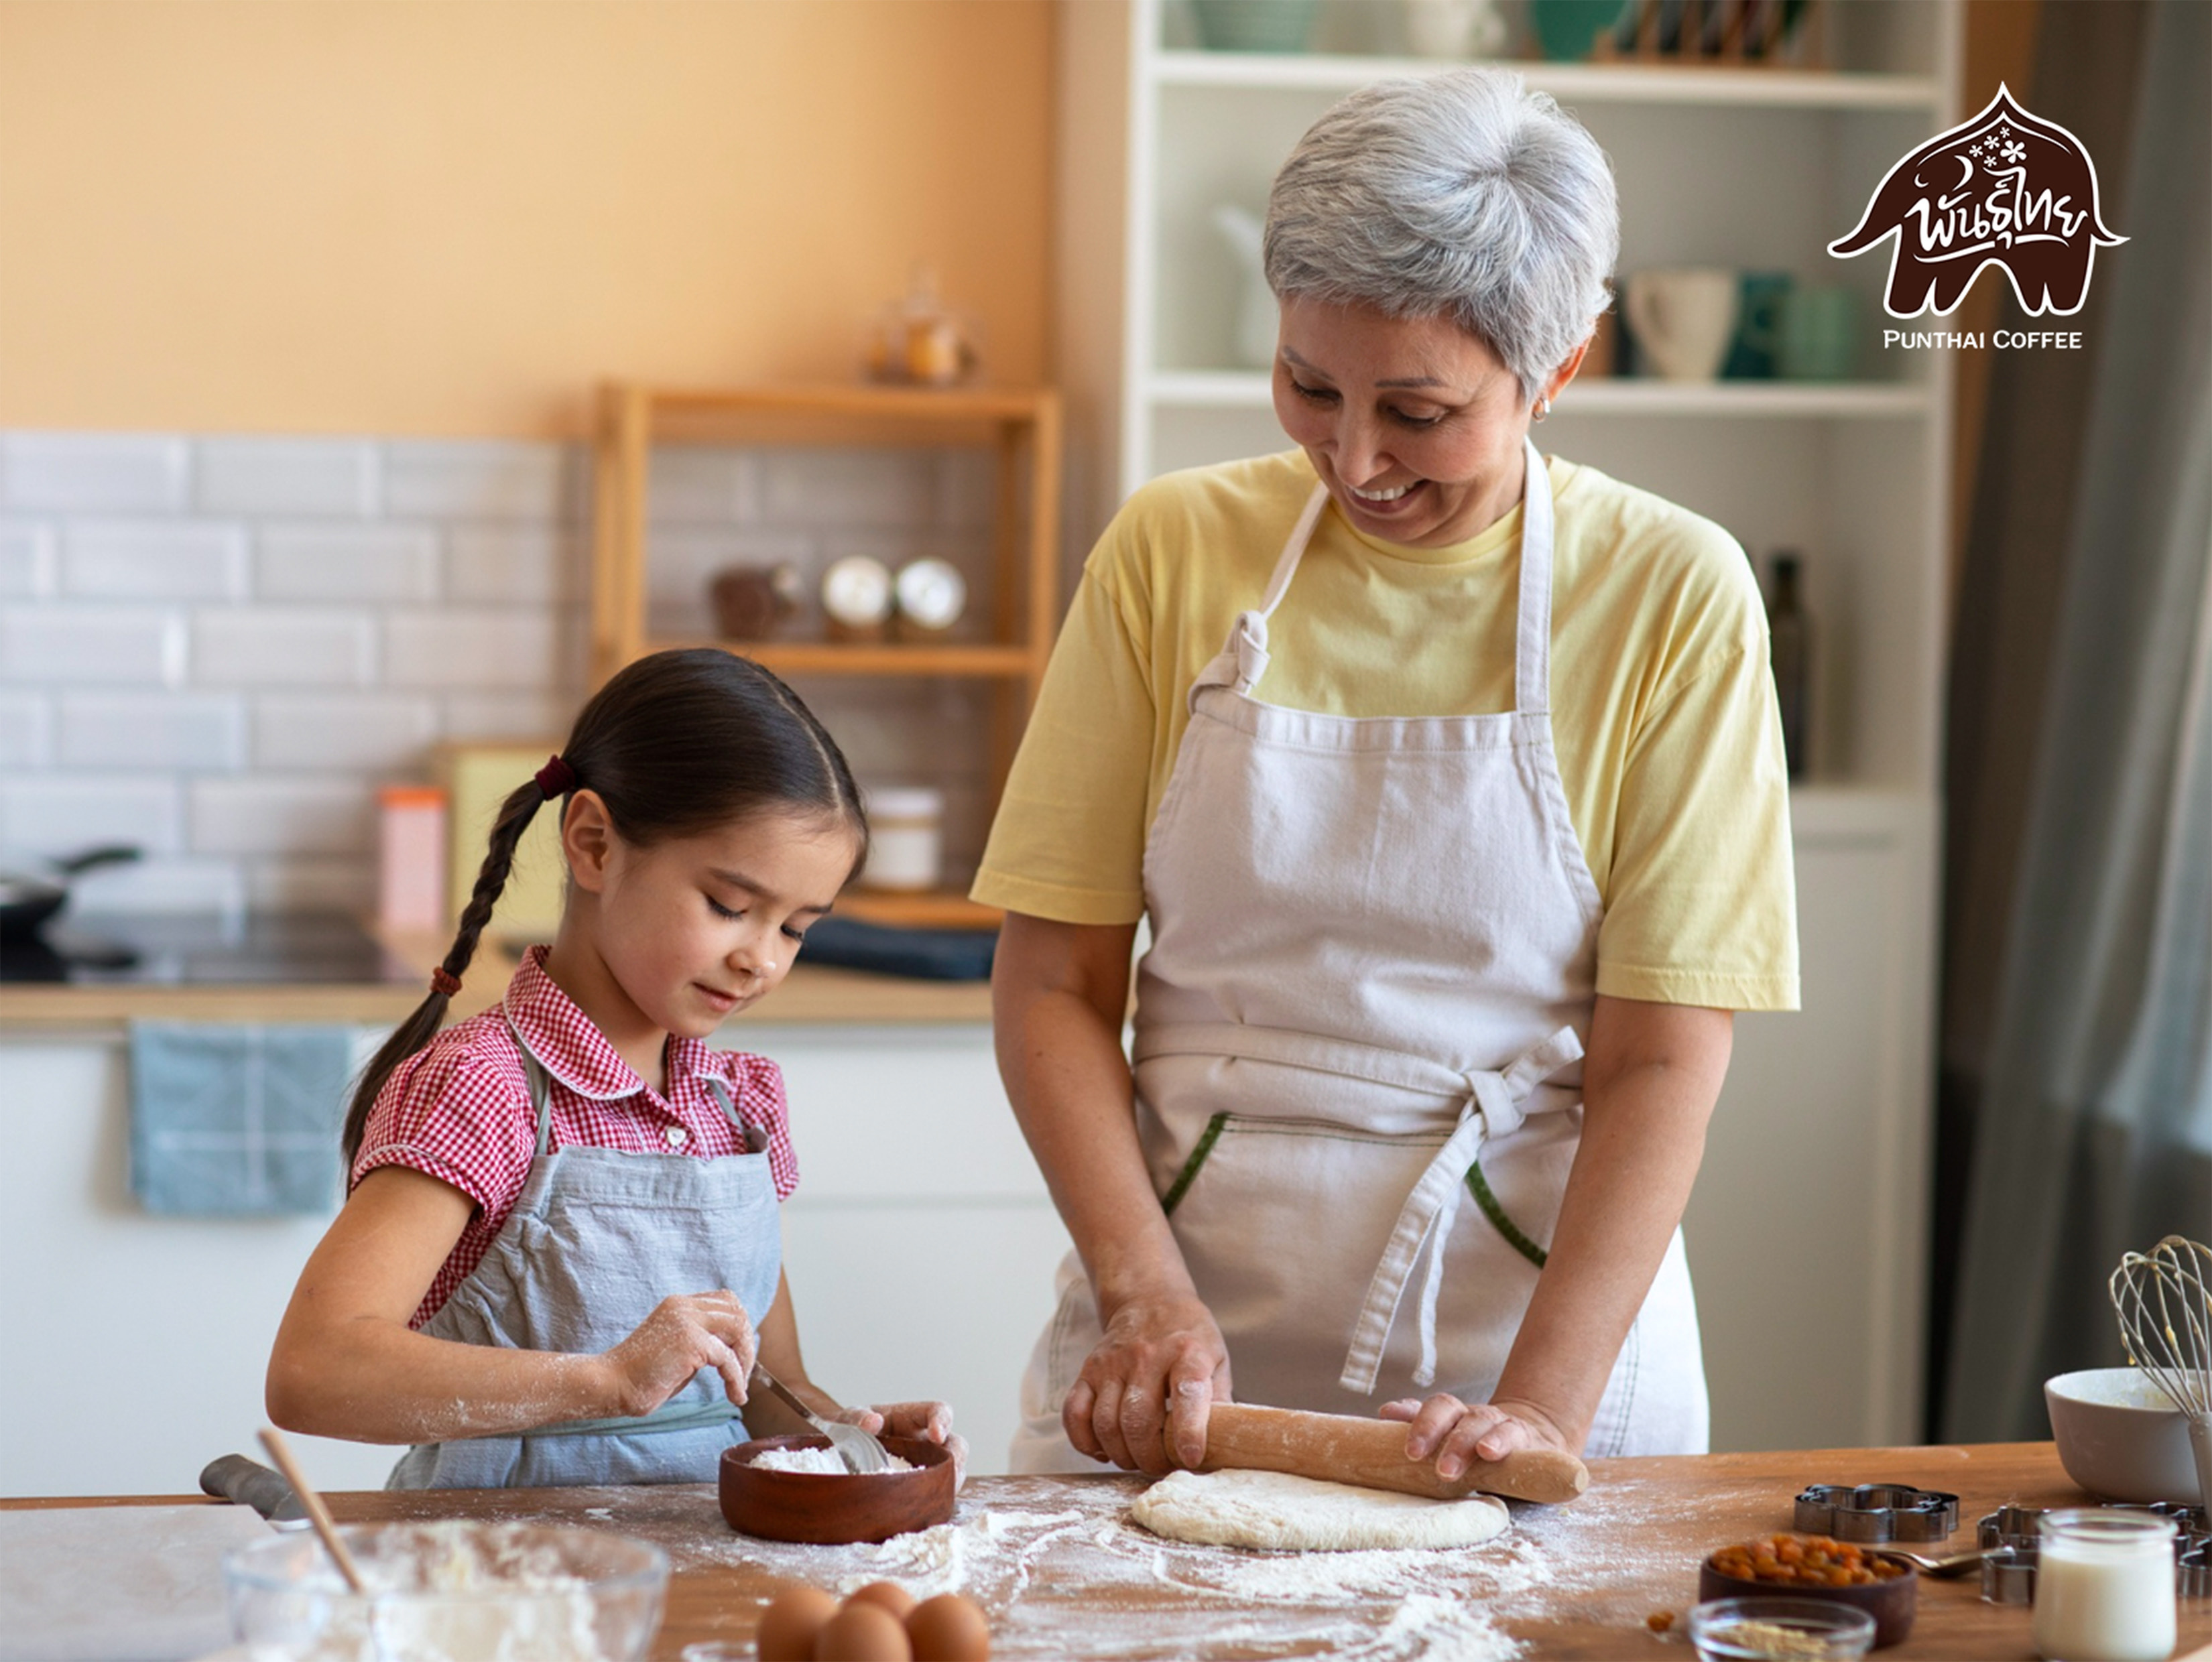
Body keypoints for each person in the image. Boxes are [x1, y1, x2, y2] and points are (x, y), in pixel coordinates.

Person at [975, 68, 1798, 1480]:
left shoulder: (1671, 591)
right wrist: (1144, 1294)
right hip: (1174, 1357)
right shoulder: (1172, 550)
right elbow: (1053, 982)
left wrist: (1539, 1408)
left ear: (1560, 368)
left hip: (1541, 1334)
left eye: (1418, 411)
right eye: (1309, 384)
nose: (1352, 460)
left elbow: (1661, 1053)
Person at [267, 648, 963, 1488]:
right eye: (731, 906)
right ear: (594, 843)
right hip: (503, 1584)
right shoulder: (485, 1089)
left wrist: (851, 1435)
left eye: (796, 928)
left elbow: (757, 1394)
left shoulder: (737, 1108)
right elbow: (314, 1371)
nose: (762, 961)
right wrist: (605, 1380)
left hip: (703, 1576)